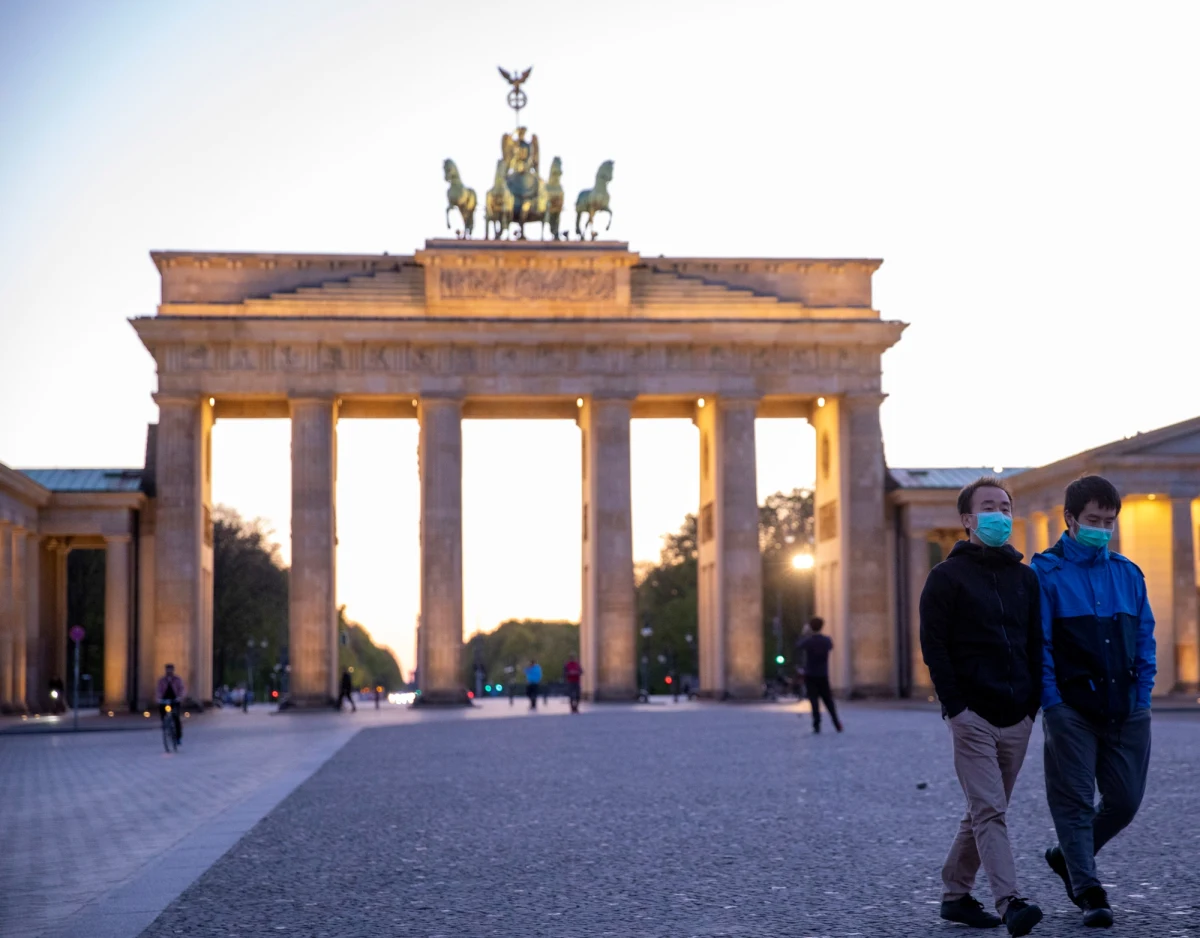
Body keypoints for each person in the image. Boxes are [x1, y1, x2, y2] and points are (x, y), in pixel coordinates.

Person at [920, 475, 1043, 935]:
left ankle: (955, 894)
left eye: (1006, 507)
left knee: (982, 809)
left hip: (1018, 716)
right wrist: (956, 708)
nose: (1000, 515)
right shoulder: (945, 577)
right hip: (972, 716)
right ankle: (1010, 902)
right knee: (991, 809)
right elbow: (934, 646)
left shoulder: (1025, 578)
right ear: (968, 520)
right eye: (990, 507)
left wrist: (1032, 706)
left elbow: (1035, 643)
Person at [1032, 476, 1155, 929]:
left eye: (1109, 521)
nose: (1102, 528)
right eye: (1093, 520)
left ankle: (1066, 856)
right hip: (1071, 708)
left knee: (1124, 801)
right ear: (1069, 519)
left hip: (1126, 707)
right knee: (1075, 802)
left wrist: (1142, 697)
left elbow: (1145, 638)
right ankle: (1089, 889)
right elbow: (1039, 642)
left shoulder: (1128, 572)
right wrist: (1053, 704)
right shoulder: (1045, 574)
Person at [796, 618, 841, 734]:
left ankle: (817, 725)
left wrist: (804, 634)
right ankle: (836, 723)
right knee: (828, 701)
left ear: (810, 627)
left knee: (814, 701)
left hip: (810, 674)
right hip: (823, 674)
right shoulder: (826, 640)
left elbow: (798, 645)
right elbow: (831, 646)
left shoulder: (809, 641)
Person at [156, 664, 186, 745]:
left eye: (170, 670)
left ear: (173, 670)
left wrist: (180, 697)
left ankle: (178, 737)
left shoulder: (177, 679)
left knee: (176, 717)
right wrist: (159, 698)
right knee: (162, 711)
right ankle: (164, 723)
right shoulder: (162, 680)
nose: (169, 671)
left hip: (175, 700)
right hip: (165, 699)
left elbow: (182, 689)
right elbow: (159, 690)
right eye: (167, 670)